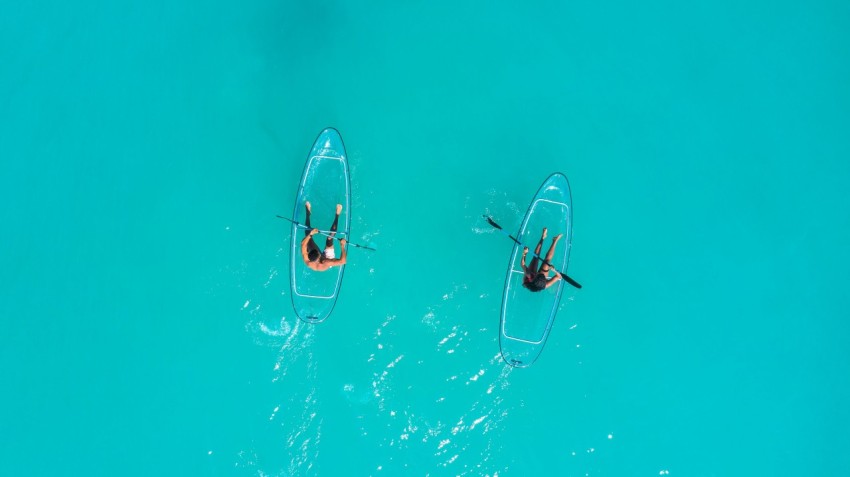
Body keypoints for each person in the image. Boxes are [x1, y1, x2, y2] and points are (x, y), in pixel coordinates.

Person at [300, 201, 347, 271]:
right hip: (328, 257)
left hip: (317, 257)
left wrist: (311, 234)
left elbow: (303, 244)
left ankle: (308, 213)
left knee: (307, 234)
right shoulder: (326, 262)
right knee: (330, 238)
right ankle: (337, 215)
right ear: (319, 256)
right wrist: (342, 245)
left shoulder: (308, 261)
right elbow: (343, 261)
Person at [521, 227, 562, 292]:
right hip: (539, 280)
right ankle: (555, 240)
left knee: (535, 257)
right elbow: (559, 277)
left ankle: (543, 237)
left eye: (536, 274)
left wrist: (524, 253)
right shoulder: (546, 284)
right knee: (547, 262)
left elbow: (522, 264)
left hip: (531, 278)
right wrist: (553, 270)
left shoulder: (529, 276)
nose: (536, 273)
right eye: (537, 274)